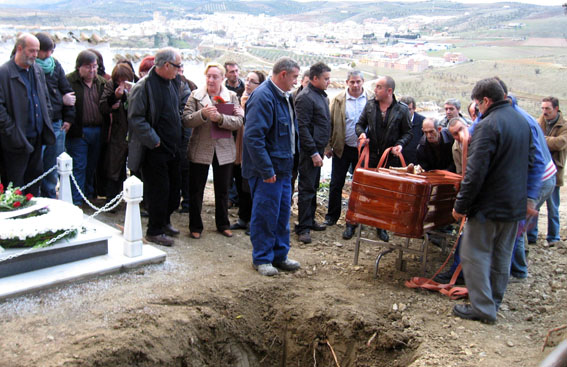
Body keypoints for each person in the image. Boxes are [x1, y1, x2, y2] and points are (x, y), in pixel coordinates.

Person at [452, 78, 534, 324]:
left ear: (485, 101)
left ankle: (483, 308)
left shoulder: (488, 125)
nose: (477, 109)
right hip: (513, 205)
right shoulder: (522, 121)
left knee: (473, 254)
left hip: (488, 207)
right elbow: (529, 163)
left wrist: (460, 206)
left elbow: (475, 173)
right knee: (501, 256)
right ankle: (493, 303)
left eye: (477, 104)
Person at [242, 56, 301, 276]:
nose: (296, 81)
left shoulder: (284, 96)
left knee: (282, 213)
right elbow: (254, 138)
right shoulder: (263, 97)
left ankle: (279, 255)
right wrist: (266, 170)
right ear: (283, 74)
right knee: (266, 214)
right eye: (294, 77)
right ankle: (262, 258)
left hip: (283, 169)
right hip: (268, 171)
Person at [127, 47, 184, 247]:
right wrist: (155, 140)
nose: (180, 69)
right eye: (177, 65)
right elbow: (136, 119)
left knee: (174, 190)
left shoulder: (172, 82)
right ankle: (154, 230)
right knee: (158, 191)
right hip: (154, 150)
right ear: (166, 65)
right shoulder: (143, 87)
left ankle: (164, 221)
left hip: (173, 148)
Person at [182, 63, 243, 239]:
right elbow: (186, 120)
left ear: (222, 78)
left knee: (223, 189)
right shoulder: (195, 95)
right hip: (200, 147)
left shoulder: (231, 96)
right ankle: (195, 226)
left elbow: (239, 122)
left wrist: (221, 118)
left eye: (215, 76)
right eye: (208, 76)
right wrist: (203, 114)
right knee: (196, 189)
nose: (211, 79)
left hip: (224, 148)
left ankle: (223, 223)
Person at [354, 76, 412, 242]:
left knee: (386, 194)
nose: (375, 90)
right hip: (370, 156)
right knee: (364, 189)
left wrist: (400, 145)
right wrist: (362, 134)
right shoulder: (371, 105)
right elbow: (359, 124)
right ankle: (355, 222)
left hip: (390, 158)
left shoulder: (402, 109)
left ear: (389, 91)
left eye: (379, 87)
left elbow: (408, 132)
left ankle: (382, 226)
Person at [0, 33, 55, 196]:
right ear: (19, 48)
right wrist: (12, 132)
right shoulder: (4, 73)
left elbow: (45, 98)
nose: (35, 55)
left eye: (37, 51)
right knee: (15, 186)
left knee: (34, 182)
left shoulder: (37, 70)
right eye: (32, 51)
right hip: (15, 142)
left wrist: (48, 118)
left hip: (37, 138)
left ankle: (32, 215)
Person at [322, 70, 373, 240]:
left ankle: (358, 218)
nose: (355, 85)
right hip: (342, 148)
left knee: (361, 186)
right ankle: (332, 216)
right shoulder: (338, 100)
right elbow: (329, 123)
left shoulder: (371, 99)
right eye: (352, 82)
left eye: (358, 81)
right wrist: (328, 146)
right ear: (347, 82)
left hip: (364, 150)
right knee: (336, 184)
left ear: (363, 82)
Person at [34, 32, 75, 199]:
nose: (48, 55)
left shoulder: (55, 66)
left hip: (56, 122)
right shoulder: (29, 67)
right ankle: (35, 196)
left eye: (51, 51)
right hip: (37, 124)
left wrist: (69, 118)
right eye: (45, 51)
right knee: (36, 164)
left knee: (52, 165)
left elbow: (67, 92)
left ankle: (50, 195)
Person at [295, 62, 332, 244]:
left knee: (313, 187)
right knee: (306, 188)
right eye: (326, 78)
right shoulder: (305, 97)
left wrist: (325, 147)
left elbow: (323, 123)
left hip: (318, 149)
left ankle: (309, 220)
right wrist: (313, 153)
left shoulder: (322, 96)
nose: (329, 82)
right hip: (309, 152)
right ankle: (302, 227)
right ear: (314, 78)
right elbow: (302, 128)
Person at [66, 50, 108, 205]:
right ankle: (77, 199)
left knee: (92, 165)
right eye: (88, 67)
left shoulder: (101, 82)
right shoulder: (69, 81)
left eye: (94, 66)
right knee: (79, 166)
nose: (92, 70)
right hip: (79, 131)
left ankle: (89, 194)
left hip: (97, 130)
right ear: (79, 67)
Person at [230, 70, 266, 234]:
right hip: (238, 149)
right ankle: (243, 218)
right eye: (247, 80)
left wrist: (244, 116)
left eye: (253, 81)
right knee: (241, 184)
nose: (248, 83)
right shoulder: (241, 99)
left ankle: (253, 220)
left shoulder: (260, 101)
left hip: (252, 151)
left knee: (252, 187)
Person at [530, 97, 567, 246]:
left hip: (555, 171)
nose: (544, 112)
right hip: (539, 171)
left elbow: (560, 143)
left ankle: (553, 237)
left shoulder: (564, 126)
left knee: (553, 207)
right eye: (543, 109)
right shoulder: (539, 122)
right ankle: (531, 236)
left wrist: (542, 139)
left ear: (556, 109)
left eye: (548, 109)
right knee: (534, 205)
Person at [99, 63, 134, 206]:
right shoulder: (110, 85)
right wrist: (115, 97)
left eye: (124, 80)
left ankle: (136, 198)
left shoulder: (137, 84)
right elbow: (103, 106)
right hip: (117, 132)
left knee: (136, 167)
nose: (122, 83)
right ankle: (111, 200)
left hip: (133, 132)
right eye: (119, 80)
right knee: (114, 167)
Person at [400, 96, 425, 165]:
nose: (406, 112)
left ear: (414, 109)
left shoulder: (423, 122)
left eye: (409, 109)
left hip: (416, 163)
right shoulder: (394, 121)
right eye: (403, 110)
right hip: (399, 162)